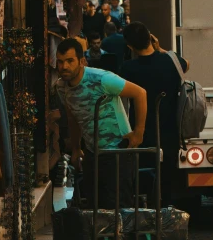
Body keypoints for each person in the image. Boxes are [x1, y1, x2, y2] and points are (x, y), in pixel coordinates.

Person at [56, 38, 147, 208]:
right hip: (92, 151)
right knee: (95, 207)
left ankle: (122, 236)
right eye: (60, 62)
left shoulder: (101, 79)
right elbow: (73, 118)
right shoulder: (62, 87)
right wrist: (76, 148)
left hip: (117, 151)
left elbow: (140, 93)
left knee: (119, 207)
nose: (64, 67)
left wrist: (138, 133)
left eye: (69, 61)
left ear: (81, 61)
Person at [121, 22, 189, 206]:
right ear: (150, 37)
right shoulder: (172, 61)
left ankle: (146, 216)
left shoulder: (128, 69)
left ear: (130, 46)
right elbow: (186, 65)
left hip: (141, 133)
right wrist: (161, 50)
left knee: (143, 181)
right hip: (170, 132)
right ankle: (165, 215)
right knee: (166, 180)